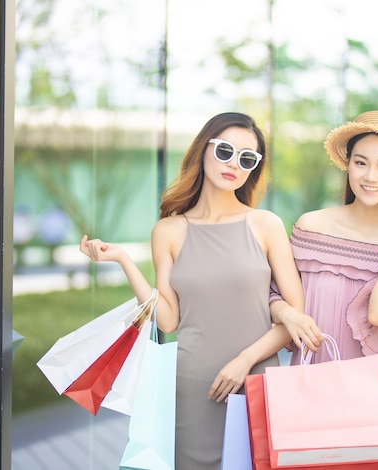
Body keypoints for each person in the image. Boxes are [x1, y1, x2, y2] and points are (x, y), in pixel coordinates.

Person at [80, 112, 320, 470]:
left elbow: (296, 317)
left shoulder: (266, 224)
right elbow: (169, 319)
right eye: (225, 151)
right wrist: (124, 261)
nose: (234, 164)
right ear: (202, 151)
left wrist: (244, 361)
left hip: (256, 377)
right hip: (193, 384)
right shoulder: (168, 230)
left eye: (247, 158)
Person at [271, 110, 378, 469]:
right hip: (316, 385)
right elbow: (274, 295)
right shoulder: (312, 226)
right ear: (348, 165)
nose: (370, 176)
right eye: (361, 163)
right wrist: (286, 312)